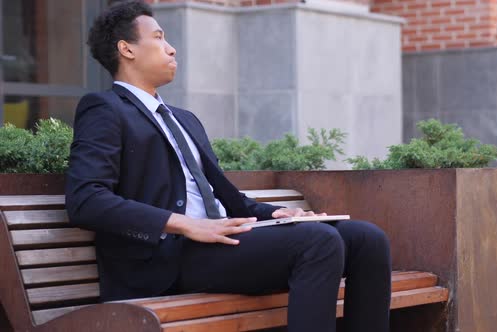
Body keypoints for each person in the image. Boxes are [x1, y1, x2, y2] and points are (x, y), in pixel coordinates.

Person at [65, 1, 392, 331]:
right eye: (160, 38)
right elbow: (86, 200)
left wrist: (275, 214)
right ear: (127, 49)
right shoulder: (104, 109)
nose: (171, 48)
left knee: (367, 239)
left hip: (218, 243)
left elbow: (227, 199)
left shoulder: (184, 119)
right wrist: (184, 224)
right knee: (318, 243)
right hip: (165, 259)